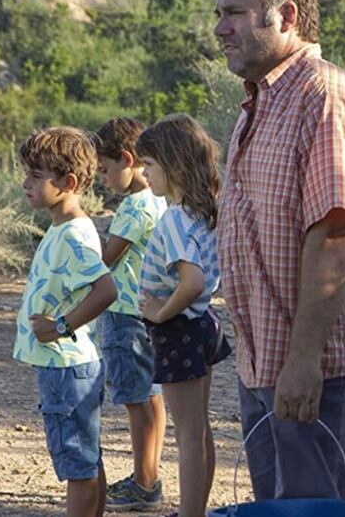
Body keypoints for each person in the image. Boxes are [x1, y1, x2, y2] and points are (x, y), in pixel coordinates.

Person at [214, 0, 345, 500]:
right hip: (266, 362)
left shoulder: (326, 98)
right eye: (219, 14)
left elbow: (333, 237)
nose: (219, 28)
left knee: (312, 509)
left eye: (234, 13)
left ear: (287, 14)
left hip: (317, 366)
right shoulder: (260, 103)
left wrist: (303, 362)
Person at [15, 127, 118, 517]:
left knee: (78, 464)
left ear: (68, 182)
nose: (25, 184)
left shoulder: (74, 233)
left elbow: (106, 290)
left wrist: (61, 326)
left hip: (66, 366)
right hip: (67, 366)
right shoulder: (64, 226)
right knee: (86, 458)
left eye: (36, 176)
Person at [135, 114, 232, 517]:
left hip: (180, 328)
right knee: (199, 431)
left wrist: (159, 312)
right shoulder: (201, 211)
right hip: (202, 325)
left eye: (150, 165)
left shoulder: (175, 218)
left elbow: (190, 281)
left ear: (173, 166)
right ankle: (197, 508)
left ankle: (192, 513)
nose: (144, 174)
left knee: (188, 435)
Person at [92, 117, 169, 513]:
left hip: (125, 316)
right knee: (152, 399)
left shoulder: (134, 207)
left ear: (127, 159)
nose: (103, 180)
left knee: (136, 402)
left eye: (105, 170)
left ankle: (143, 483)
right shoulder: (159, 197)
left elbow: (106, 261)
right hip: (150, 312)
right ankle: (148, 476)